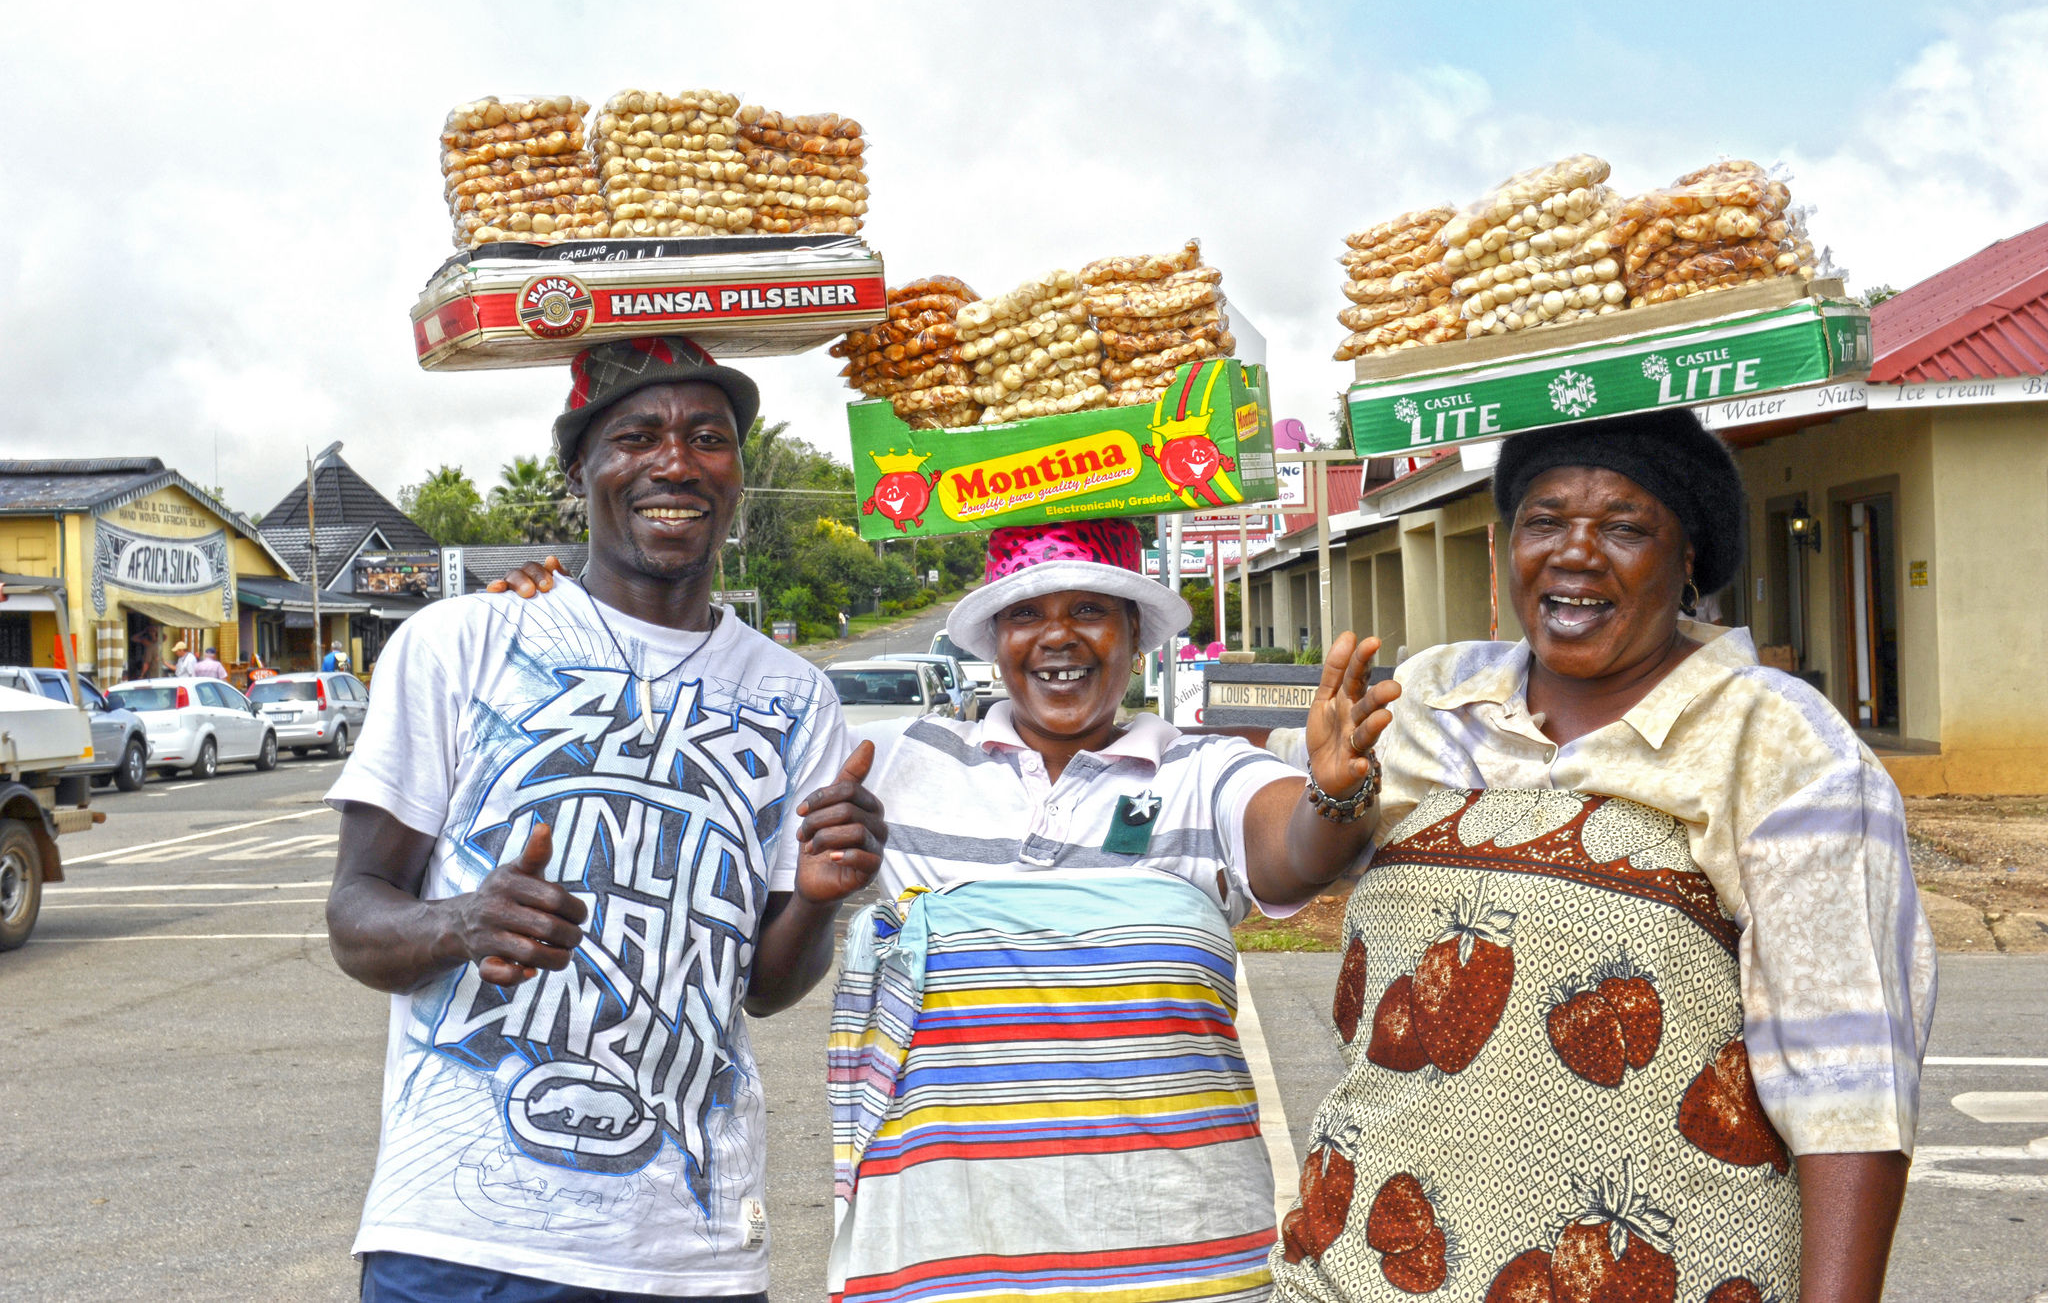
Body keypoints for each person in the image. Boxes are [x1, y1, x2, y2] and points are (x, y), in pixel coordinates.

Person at [494, 516, 1400, 1301]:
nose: (1059, 636)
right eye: (1027, 613)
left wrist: (1332, 795)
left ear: (1134, 633)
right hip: (944, 1259)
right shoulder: (898, 763)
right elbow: (693, 710)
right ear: (993, 639)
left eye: (1089, 609)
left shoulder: (1200, 773)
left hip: (1177, 1255)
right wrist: (568, 618)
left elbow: (1294, 851)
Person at [1258, 410, 1934, 1303]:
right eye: (1544, 520)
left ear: (1689, 555)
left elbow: (1851, 1082)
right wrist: (1332, 792)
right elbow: (1285, 874)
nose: (1575, 551)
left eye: (1624, 525)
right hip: (1354, 1272)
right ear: (1508, 545)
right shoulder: (1432, 699)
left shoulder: (1773, 740)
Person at [325, 335, 885, 1303]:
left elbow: (761, 987)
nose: (675, 461)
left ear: (738, 476)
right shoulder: (465, 640)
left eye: (707, 437)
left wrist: (823, 900)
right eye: (636, 435)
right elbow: (355, 916)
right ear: (579, 468)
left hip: (690, 1247)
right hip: (463, 1241)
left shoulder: (794, 696)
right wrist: (460, 921)